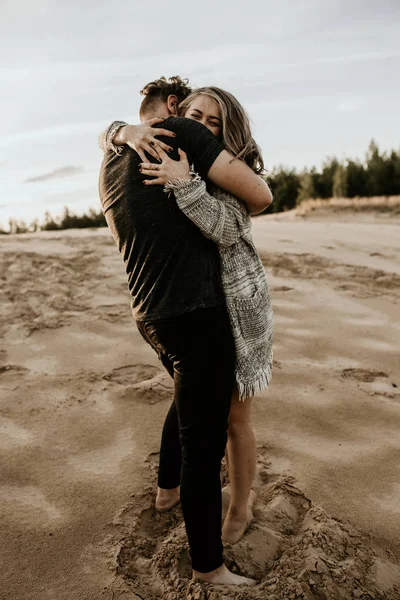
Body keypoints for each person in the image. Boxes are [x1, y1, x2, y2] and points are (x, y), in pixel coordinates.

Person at [98, 76, 273, 586]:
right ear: (174, 110)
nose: (196, 129)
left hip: (202, 310)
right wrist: (125, 133)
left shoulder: (122, 163)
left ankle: (215, 500)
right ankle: (207, 561)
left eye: (212, 123)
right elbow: (255, 197)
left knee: (217, 411)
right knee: (204, 427)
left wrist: (179, 178)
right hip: (195, 312)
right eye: (194, 117)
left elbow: (232, 224)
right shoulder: (164, 141)